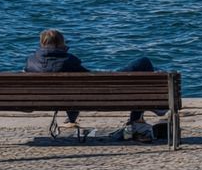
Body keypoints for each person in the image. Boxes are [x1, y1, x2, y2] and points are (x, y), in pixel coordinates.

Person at [24, 29, 163, 136]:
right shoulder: (69, 61)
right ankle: (139, 116)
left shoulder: (31, 62)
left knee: (70, 88)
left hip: (58, 98)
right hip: (101, 91)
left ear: (42, 43)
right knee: (143, 62)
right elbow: (86, 79)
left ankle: (71, 120)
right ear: (61, 43)